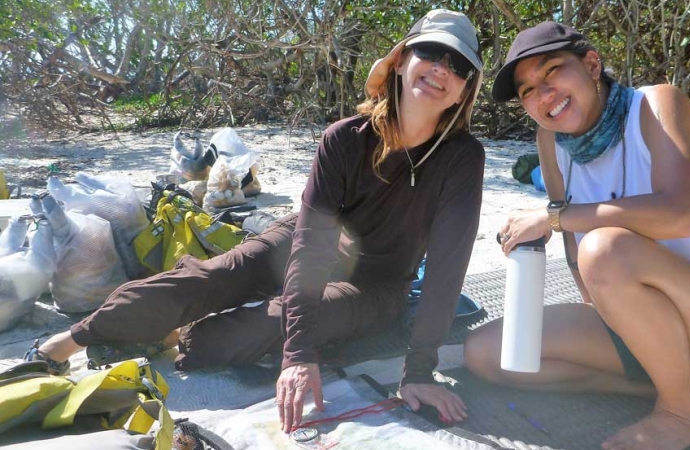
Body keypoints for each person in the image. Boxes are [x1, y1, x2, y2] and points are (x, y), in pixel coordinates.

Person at [25, 9, 485, 433]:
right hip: (304, 241)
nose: (442, 67)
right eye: (431, 52)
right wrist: (300, 356)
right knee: (209, 278)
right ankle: (67, 343)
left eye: (459, 65)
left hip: (377, 284)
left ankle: (171, 334)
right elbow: (311, 247)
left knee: (270, 326)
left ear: (465, 88)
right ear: (403, 60)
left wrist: (419, 371)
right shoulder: (344, 140)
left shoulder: (462, 159)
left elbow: (448, 265)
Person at [463, 22, 690, 450]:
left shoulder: (656, 105)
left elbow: (679, 214)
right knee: (488, 354)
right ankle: (677, 390)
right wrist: (603, 306)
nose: (543, 94)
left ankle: (680, 413)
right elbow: (573, 246)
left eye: (554, 71)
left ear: (592, 64)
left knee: (605, 247)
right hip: (646, 318)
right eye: (527, 91)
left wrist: (552, 218)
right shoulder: (551, 140)